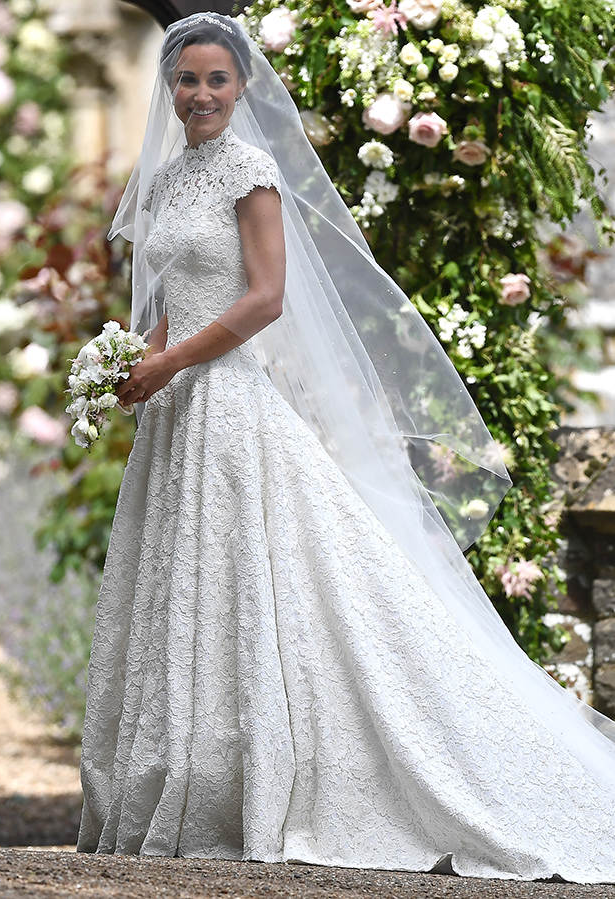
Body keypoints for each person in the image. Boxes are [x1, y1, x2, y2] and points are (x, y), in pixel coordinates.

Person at [77, 13, 615, 882]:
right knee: (189, 577)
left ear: (242, 87)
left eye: (218, 79)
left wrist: (171, 360)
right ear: (168, 90)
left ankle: (302, 771)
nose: (202, 93)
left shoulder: (252, 173)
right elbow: (182, 294)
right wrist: (138, 362)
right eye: (188, 80)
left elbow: (264, 299)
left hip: (233, 402)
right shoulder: (169, 179)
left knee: (288, 580)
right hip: (179, 407)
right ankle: (197, 773)